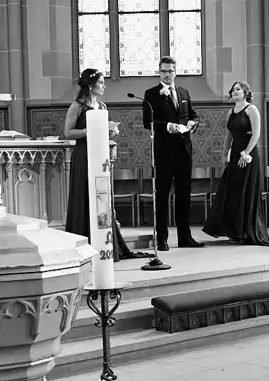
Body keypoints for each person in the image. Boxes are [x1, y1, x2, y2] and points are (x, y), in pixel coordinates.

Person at [63, 68, 138, 261]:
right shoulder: (77, 106)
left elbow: (103, 131)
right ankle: (83, 243)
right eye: (101, 82)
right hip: (84, 155)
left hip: (100, 154)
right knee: (84, 194)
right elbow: (68, 132)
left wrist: (110, 132)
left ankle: (105, 244)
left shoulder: (102, 106)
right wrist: (88, 130)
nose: (104, 86)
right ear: (91, 85)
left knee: (102, 196)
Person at [203, 81, 269, 246]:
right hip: (235, 152)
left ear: (246, 92)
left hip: (248, 153)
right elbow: (228, 135)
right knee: (233, 191)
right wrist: (225, 153)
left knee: (246, 190)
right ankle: (234, 231)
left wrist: (246, 153)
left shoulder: (251, 109)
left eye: (238, 89)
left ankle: (246, 231)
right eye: (233, 89)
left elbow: (256, 133)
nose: (234, 91)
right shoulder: (230, 112)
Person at [142, 56, 203, 251]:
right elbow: (148, 122)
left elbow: (192, 114)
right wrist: (169, 126)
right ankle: (162, 238)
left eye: (170, 71)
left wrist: (194, 123)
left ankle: (185, 237)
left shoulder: (183, 91)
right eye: (164, 71)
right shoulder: (151, 94)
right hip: (164, 152)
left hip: (184, 151)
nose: (167, 74)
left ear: (175, 72)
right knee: (162, 196)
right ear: (159, 72)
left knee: (184, 195)